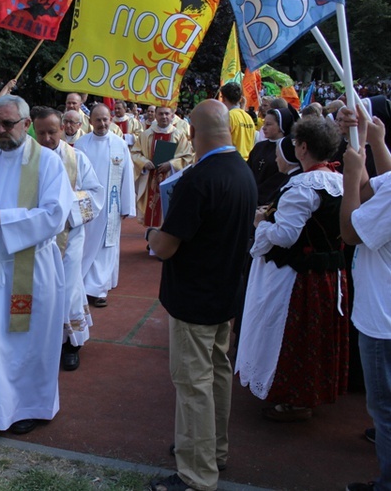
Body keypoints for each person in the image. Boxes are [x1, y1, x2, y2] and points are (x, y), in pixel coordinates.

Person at [146, 99, 257, 491]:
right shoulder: (242, 171)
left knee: (193, 384)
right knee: (217, 376)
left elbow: (165, 246)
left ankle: (196, 474)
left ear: (191, 133)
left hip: (193, 299)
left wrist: (150, 236)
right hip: (224, 294)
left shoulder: (200, 179)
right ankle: (214, 451)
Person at [0, 95, 73, 435]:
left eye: (8, 124)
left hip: (31, 269)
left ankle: (28, 407)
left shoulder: (48, 164)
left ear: (26, 124)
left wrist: (2, 218)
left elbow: (55, 214)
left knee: (25, 344)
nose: (1, 130)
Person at [236, 116, 349, 422]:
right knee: (316, 335)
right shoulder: (340, 181)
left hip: (300, 277)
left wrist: (262, 224)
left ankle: (295, 399)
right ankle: (308, 393)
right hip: (330, 275)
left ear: (302, 148)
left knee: (293, 337)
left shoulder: (302, 186)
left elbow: (286, 236)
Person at [341, 107, 391, 491]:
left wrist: (351, 176)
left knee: (384, 411)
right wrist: (375, 140)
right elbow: (385, 182)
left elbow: (351, 231)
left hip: (382, 321)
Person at [32, 107, 103, 371]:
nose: (47, 138)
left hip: (69, 234)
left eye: (52, 131)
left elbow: (95, 194)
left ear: (62, 128)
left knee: (69, 287)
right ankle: (44, 340)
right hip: (36, 237)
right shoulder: (28, 158)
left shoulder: (76, 158)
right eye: (41, 133)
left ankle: (71, 343)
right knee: (40, 289)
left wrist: (63, 205)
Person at [75, 104, 135, 307]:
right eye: (98, 120)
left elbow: (127, 177)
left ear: (111, 120)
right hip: (88, 205)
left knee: (106, 246)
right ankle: (83, 284)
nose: (102, 124)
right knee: (86, 245)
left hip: (111, 205)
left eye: (105, 119)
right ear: (90, 121)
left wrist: (127, 206)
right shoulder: (81, 145)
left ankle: (100, 289)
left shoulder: (119, 145)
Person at [131, 105, 193, 231]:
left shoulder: (178, 135)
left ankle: (163, 239)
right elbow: (135, 153)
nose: (164, 117)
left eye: (166, 114)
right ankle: (151, 237)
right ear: (156, 115)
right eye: (160, 114)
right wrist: (144, 162)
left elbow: (188, 157)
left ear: (172, 116)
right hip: (150, 178)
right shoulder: (146, 134)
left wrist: (171, 164)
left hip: (170, 177)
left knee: (167, 211)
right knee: (151, 210)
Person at [247, 107, 298, 206]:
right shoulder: (259, 146)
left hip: (267, 201)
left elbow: (279, 179)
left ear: (281, 126)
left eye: (269, 124)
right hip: (250, 197)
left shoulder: (287, 150)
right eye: (264, 123)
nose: (264, 128)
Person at [220, 82, 256, 160]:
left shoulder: (228, 116)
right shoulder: (248, 118)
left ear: (224, 98)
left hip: (232, 161)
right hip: (247, 163)